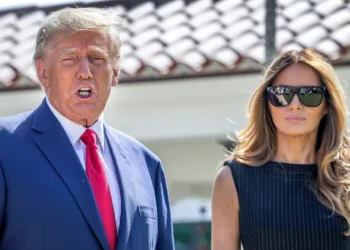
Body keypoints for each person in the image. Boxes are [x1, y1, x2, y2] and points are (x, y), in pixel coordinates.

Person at [0, 7, 175, 250]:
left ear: (115, 73)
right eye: (70, 59)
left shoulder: (147, 165)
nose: (85, 72)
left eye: (97, 58)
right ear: (43, 73)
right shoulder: (5, 148)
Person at [211, 49, 350, 250]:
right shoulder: (233, 180)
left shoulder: (345, 179)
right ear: (267, 103)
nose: (294, 105)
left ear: (327, 105)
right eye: (282, 94)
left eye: (309, 94)